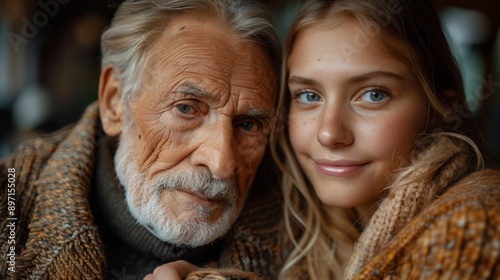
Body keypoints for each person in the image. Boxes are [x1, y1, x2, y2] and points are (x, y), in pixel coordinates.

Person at [0, 0, 283, 278]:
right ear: (114, 102)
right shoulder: (9, 205)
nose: (220, 163)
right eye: (185, 108)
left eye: (248, 124)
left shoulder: (301, 231)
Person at [270, 0, 500, 279]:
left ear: (440, 109)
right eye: (309, 95)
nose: (328, 134)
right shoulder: (292, 234)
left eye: (373, 94)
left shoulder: (474, 226)